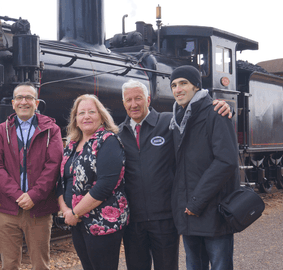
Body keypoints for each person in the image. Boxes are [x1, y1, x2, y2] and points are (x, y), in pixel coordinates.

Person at [119, 79, 232, 270]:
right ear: (123, 103)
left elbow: (198, 124)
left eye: (138, 98)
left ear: (148, 99)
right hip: (133, 220)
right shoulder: (118, 134)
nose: (134, 104)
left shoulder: (169, 121)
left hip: (165, 217)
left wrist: (222, 108)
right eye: (128, 100)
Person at [0, 82, 63, 270]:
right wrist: (18, 195)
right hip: (8, 209)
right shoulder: (0, 130)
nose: (24, 102)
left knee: (40, 265)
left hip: (39, 208)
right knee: (9, 265)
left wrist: (34, 196)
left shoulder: (51, 130)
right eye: (19, 98)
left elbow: (54, 166)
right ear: (13, 103)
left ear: (36, 103)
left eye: (28, 97)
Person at [169, 66, 239, 270]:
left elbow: (226, 161)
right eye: (174, 85)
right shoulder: (176, 119)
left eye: (183, 83)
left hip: (213, 212)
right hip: (188, 213)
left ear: (196, 86)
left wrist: (196, 201)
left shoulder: (216, 112)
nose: (178, 89)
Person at [57, 94, 128, 270]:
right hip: (77, 221)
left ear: (101, 116)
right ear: (75, 119)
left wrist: (75, 213)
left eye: (91, 112)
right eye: (81, 113)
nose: (86, 116)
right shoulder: (72, 144)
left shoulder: (108, 141)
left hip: (102, 223)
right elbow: (62, 181)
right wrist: (65, 210)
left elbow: (104, 186)